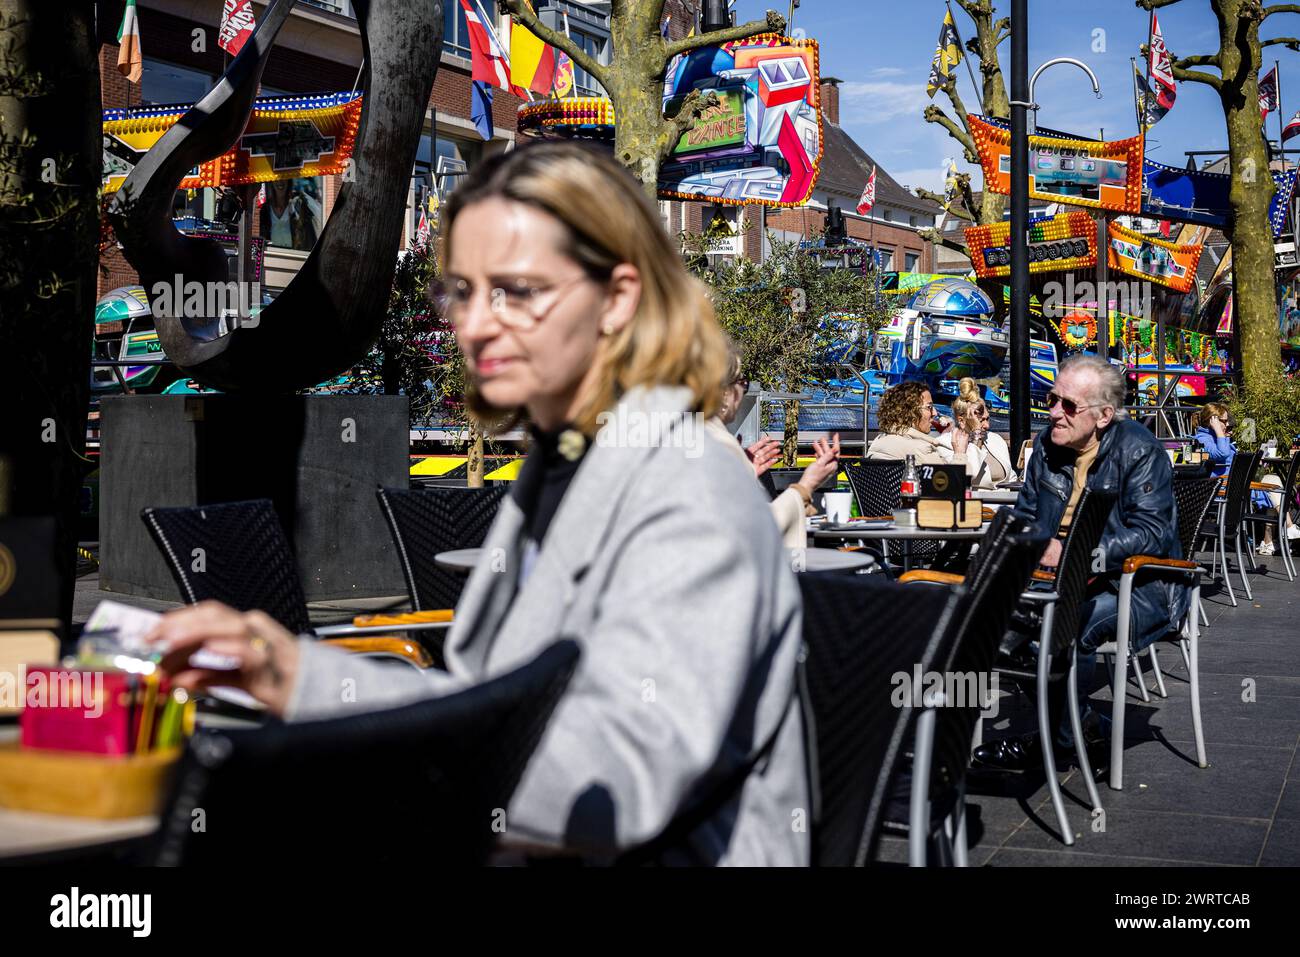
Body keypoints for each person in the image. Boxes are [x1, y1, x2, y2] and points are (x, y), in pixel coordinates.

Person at [148, 141, 809, 866]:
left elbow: (614, 779)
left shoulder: (690, 492)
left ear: (618, 299)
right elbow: (484, 710)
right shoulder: (566, 464)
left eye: (518, 289)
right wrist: (289, 678)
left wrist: (305, 691)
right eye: (461, 290)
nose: (477, 323)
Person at [973, 354, 1191, 771]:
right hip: (1054, 581)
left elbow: (1153, 532)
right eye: (1053, 399)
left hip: (1141, 584)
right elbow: (1026, 516)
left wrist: (1076, 551)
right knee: (989, 623)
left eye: (1069, 406)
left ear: (1105, 415)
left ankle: (1051, 744)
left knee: (1065, 630)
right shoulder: (1045, 447)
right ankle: (1085, 727)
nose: (1054, 412)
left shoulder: (1139, 449)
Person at [708, 345, 841, 548]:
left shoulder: (692, 435)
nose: (743, 392)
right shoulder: (719, 443)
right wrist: (806, 485)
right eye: (742, 383)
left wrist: (745, 471)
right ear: (724, 393)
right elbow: (759, 527)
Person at [1191, 402, 1295, 554]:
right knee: (1273, 489)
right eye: (1224, 421)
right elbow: (1222, 455)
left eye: (1227, 421)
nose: (1227, 425)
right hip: (1223, 490)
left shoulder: (1219, 438)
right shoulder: (1202, 439)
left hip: (1235, 486)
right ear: (1211, 420)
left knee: (1273, 481)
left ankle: (1274, 538)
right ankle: (1284, 531)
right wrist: (1220, 434)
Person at [865, 380, 970, 468]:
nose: (935, 413)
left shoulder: (879, 441)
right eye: (929, 407)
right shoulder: (921, 449)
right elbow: (952, 485)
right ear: (910, 412)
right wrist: (960, 453)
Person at [936, 377, 1015, 489]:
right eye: (980, 420)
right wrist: (976, 437)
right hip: (977, 503)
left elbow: (1011, 477)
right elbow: (969, 476)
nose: (987, 426)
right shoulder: (945, 443)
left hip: (1005, 503)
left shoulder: (995, 439)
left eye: (987, 419)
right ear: (962, 421)